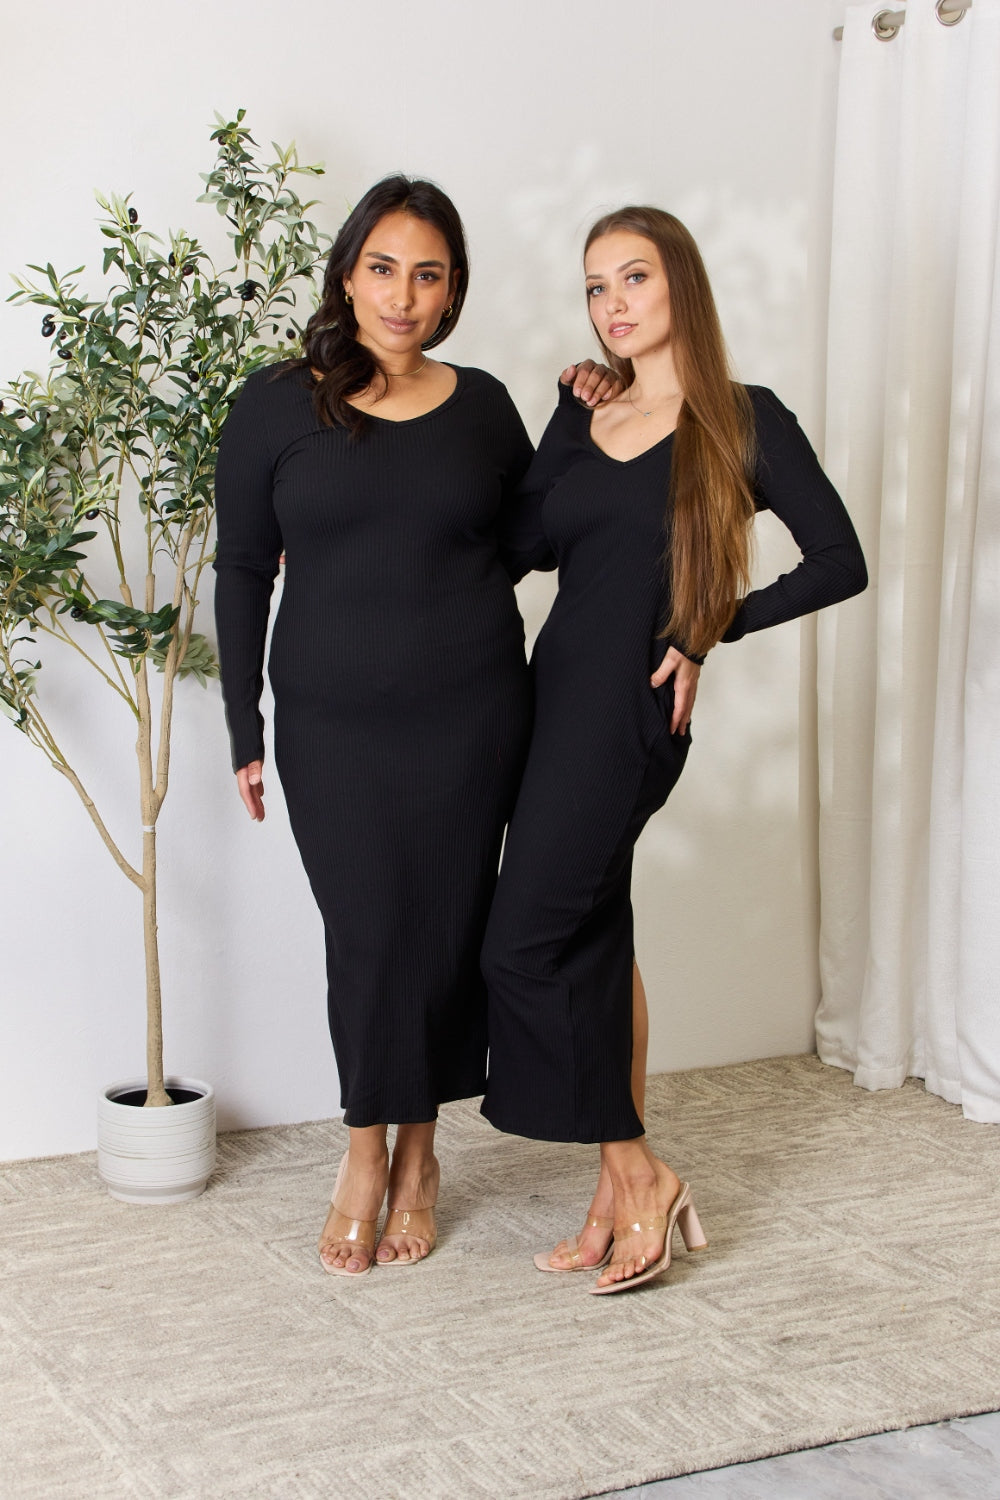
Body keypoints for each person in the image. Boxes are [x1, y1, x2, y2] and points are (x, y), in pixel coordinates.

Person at [213, 176, 616, 1278]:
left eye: (427, 274)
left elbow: (529, 542)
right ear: (348, 273)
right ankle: (361, 1148)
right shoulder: (273, 404)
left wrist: (575, 421)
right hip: (331, 725)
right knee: (368, 932)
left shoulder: (481, 403)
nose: (403, 293)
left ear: (452, 293)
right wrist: (240, 719)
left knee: (443, 929)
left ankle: (421, 1153)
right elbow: (243, 566)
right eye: (383, 266)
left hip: (472, 713)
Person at [480, 206, 868, 1293]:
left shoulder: (743, 419)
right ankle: (617, 1187)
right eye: (596, 287)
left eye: (633, 277)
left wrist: (709, 625)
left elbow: (839, 560)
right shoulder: (594, 417)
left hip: (630, 713)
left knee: (523, 942)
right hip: (548, 698)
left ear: (679, 283)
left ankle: (637, 1172)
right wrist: (565, 414)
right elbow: (521, 549)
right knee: (593, 934)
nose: (613, 304)